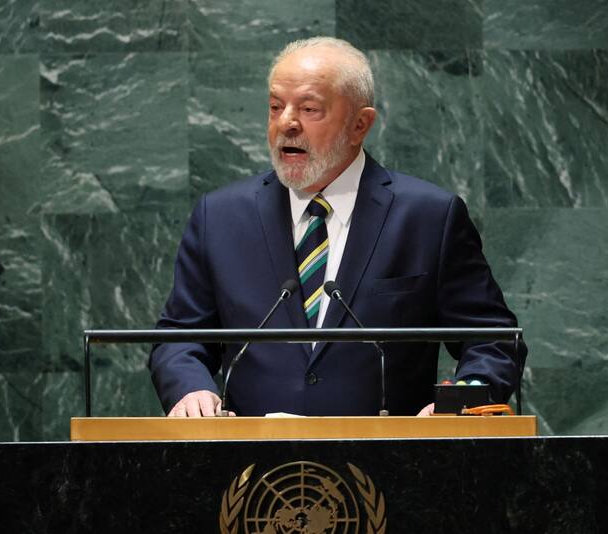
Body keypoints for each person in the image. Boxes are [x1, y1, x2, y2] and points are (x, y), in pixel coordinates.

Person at [149, 37, 526, 417]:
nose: (286, 123)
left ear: (359, 124)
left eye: (309, 109)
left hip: (390, 451)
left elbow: (493, 341)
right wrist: (191, 390)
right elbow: (179, 338)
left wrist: (460, 403)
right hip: (255, 453)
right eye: (276, 106)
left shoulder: (429, 217)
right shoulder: (220, 216)